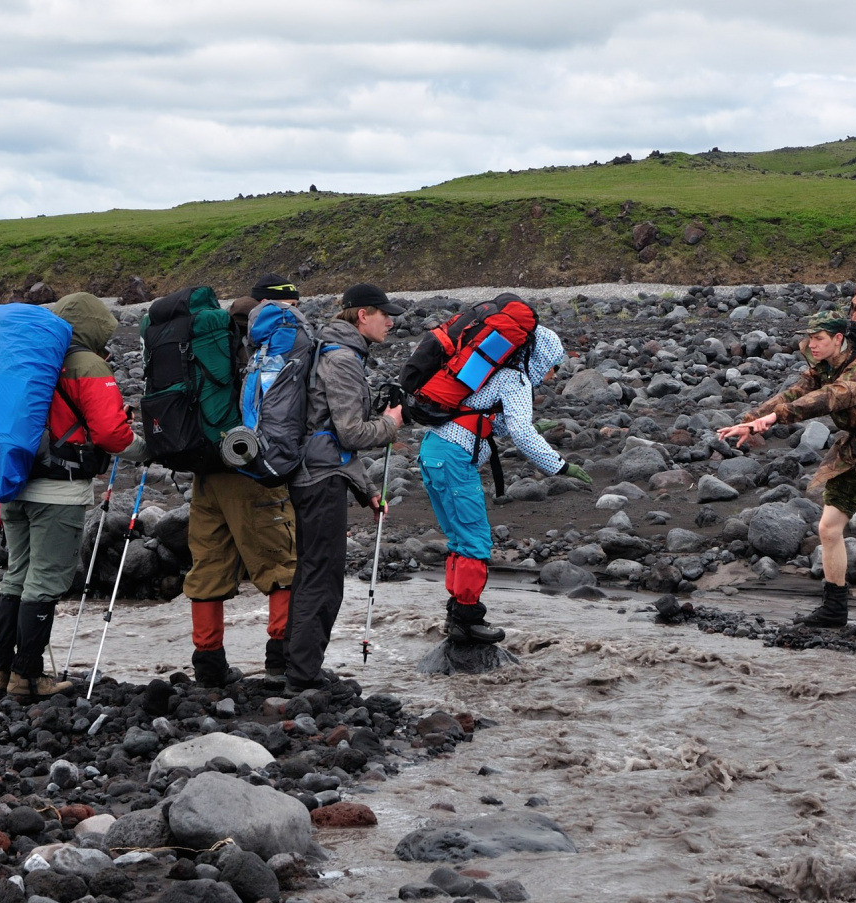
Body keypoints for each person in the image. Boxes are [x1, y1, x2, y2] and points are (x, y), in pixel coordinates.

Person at [718, 309, 856, 638]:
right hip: (853, 448)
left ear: (838, 339)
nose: (811, 345)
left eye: (819, 339)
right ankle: (834, 609)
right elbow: (793, 394)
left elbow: (827, 400)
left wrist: (775, 420)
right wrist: (752, 418)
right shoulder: (823, 367)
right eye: (811, 338)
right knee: (828, 528)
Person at [0, 291, 147, 698]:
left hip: (13, 483)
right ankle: (28, 676)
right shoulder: (86, 364)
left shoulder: (28, 358)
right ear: (93, 326)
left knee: (15, 578)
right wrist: (146, 448)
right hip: (58, 490)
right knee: (44, 581)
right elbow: (112, 435)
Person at [419, 324, 589, 644]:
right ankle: (467, 618)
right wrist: (561, 466)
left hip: (432, 453)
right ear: (541, 358)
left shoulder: (486, 372)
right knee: (475, 542)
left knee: (459, 539)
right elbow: (522, 435)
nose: (553, 374)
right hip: (454, 461)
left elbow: (482, 415)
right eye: (554, 365)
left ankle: (456, 612)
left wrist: (535, 424)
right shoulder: (516, 378)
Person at [285, 282, 403, 693]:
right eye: (383, 313)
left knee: (312, 571)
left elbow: (330, 437)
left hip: (315, 474)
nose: (391, 321)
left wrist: (366, 489)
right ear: (360, 315)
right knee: (322, 577)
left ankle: (297, 667)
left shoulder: (334, 351)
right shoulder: (342, 358)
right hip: (319, 480)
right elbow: (350, 434)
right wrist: (391, 424)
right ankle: (302, 675)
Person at [183, 274, 301, 688]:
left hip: (204, 468)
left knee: (208, 565)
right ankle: (281, 659)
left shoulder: (203, 336)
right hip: (248, 468)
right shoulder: (263, 337)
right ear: (272, 303)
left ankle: (209, 664)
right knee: (279, 563)